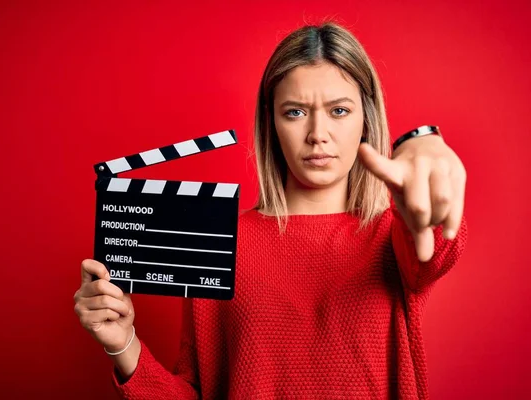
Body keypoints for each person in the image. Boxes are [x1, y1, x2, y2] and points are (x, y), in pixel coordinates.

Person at [74, 21, 467, 399]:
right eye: (294, 112)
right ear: (272, 123)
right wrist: (123, 344)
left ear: (367, 118)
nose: (317, 134)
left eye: (339, 110)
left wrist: (424, 143)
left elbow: (435, 245)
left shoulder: (393, 237)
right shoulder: (220, 243)